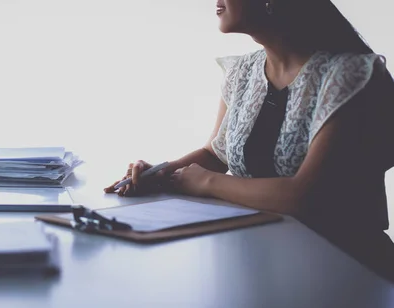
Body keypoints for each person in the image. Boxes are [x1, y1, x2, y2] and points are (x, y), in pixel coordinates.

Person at [104, 0, 394, 283]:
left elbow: (304, 196)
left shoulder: (349, 76)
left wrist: (206, 182)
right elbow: (215, 153)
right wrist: (162, 173)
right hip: (265, 257)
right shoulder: (242, 72)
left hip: (346, 270)